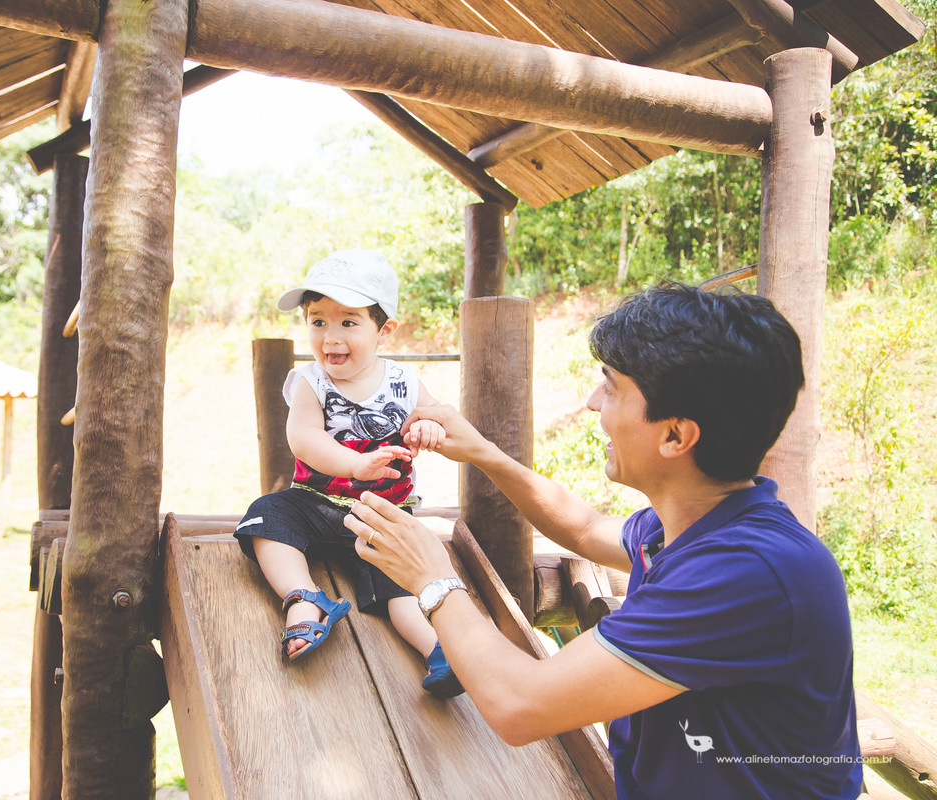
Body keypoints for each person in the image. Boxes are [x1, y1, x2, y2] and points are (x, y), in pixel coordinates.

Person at [345, 282, 863, 798]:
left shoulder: (746, 572)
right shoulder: (702, 521)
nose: (594, 404)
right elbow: (585, 529)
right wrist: (484, 452)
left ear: (675, 436)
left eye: (612, 387)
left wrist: (433, 579)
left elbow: (520, 704)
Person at [234, 249, 464, 698]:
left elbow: (434, 416)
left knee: (401, 586)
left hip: (384, 513)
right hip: (316, 504)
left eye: (348, 322)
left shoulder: (404, 381)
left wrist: (427, 427)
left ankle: (437, 649)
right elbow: (303, 439)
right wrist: (355, 464)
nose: (329, 336)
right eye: (317, 321)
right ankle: (304, 600)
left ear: (385, 330)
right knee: (266, 515)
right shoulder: (310, 381)